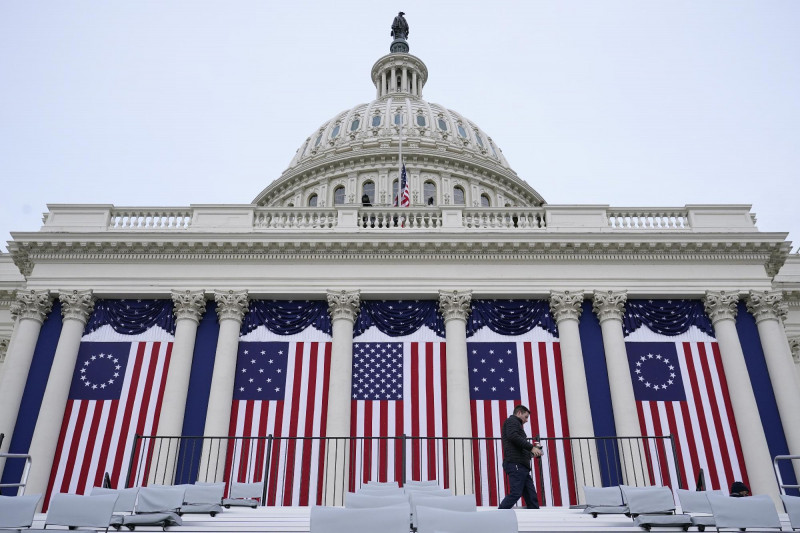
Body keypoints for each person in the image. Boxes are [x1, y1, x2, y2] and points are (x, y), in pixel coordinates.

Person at [498, 404, 543, 509]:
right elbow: (513, 436)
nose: (527, 420)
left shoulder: (515, 424)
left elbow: (518, 445)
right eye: (526, 417)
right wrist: (531, 448)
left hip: (521, 465)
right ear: (519, 413)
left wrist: (533, 452)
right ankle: (497, 516)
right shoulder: (512, 421)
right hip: (515, 464)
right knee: (515, 493)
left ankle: (535, 520)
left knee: (532, 497)